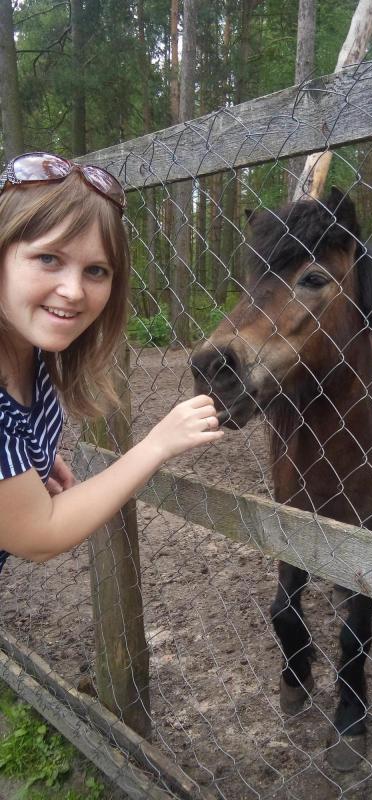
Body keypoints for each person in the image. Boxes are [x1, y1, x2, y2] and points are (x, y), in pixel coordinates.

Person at [0, 151, 223, 573]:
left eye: (96, 270)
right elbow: (40, 536)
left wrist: (30, 466)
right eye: (49, 258)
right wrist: (158, 443)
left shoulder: (34, 353)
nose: (74, 291)